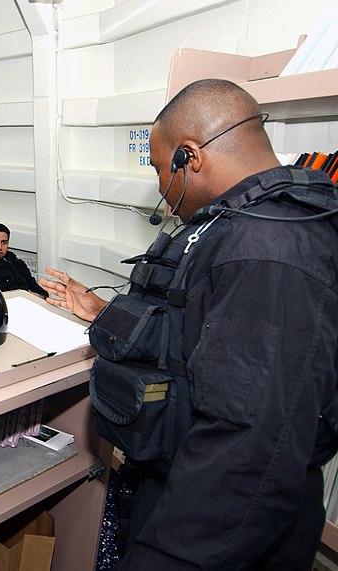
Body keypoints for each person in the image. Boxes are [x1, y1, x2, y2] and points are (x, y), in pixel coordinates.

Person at [39, 79, 338, 570]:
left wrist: (160, 557)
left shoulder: (267, 250)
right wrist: (102, 311)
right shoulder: (240, 226)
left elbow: (247, 447)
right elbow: (191, 339)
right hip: (182, 479)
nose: (160, 186)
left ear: (189, 156)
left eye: (160, 169)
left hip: (215, 516)